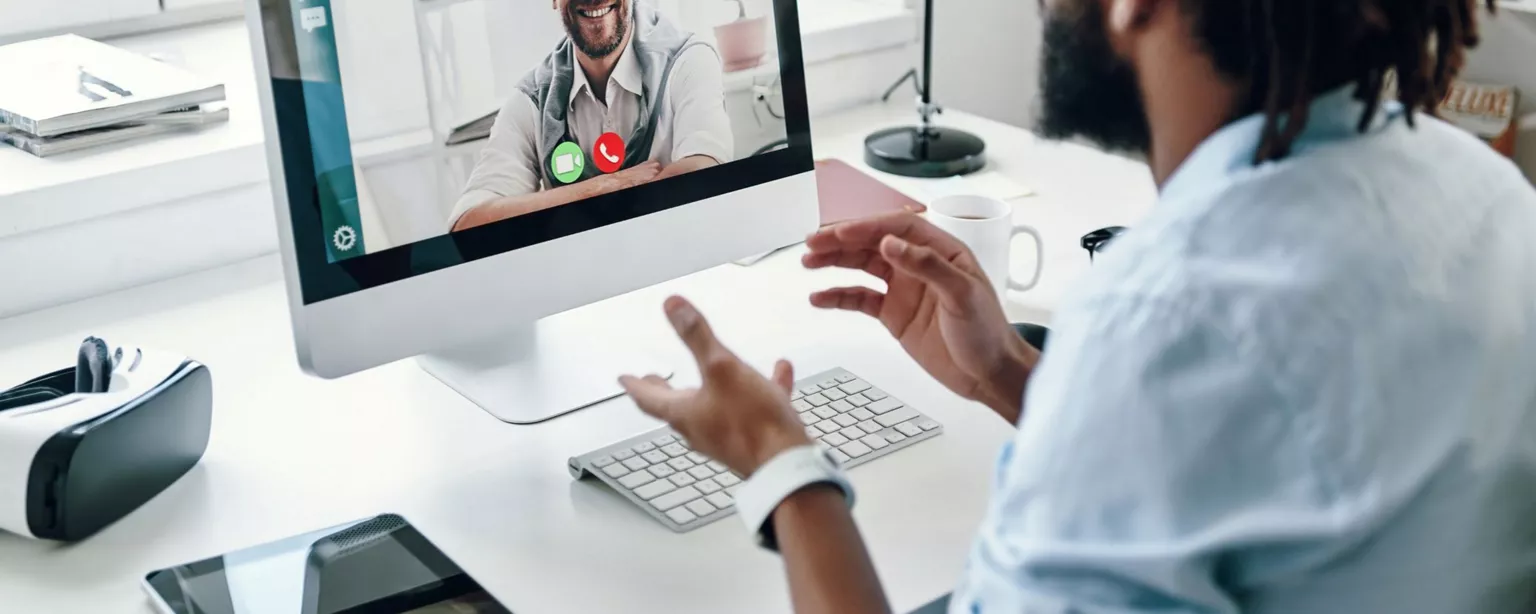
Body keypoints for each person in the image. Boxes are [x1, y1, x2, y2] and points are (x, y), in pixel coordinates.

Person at [619, 0, 1536, 612]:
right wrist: (1014, 375)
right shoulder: (1482, 190)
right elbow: (1247, 465)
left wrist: (784, 470)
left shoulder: (1169, 314)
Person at [449, 0, 733, 231]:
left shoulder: (689, 60)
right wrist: (604, 186)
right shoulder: (531, 99)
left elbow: (704, 178)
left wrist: (564, 211)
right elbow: (467, 225)